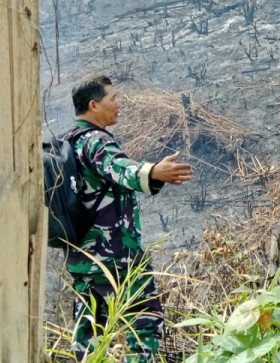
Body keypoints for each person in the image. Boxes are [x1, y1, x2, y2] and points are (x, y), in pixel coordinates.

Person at [65, 75, 194, 361]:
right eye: (113, 98)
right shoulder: (95, 140)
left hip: (82, 258)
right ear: (94, 105)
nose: (119, 104)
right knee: (146, 323)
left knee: (87, 334)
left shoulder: (67, 143)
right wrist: (153, 172)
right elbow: (118, 167)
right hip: (117, 257)